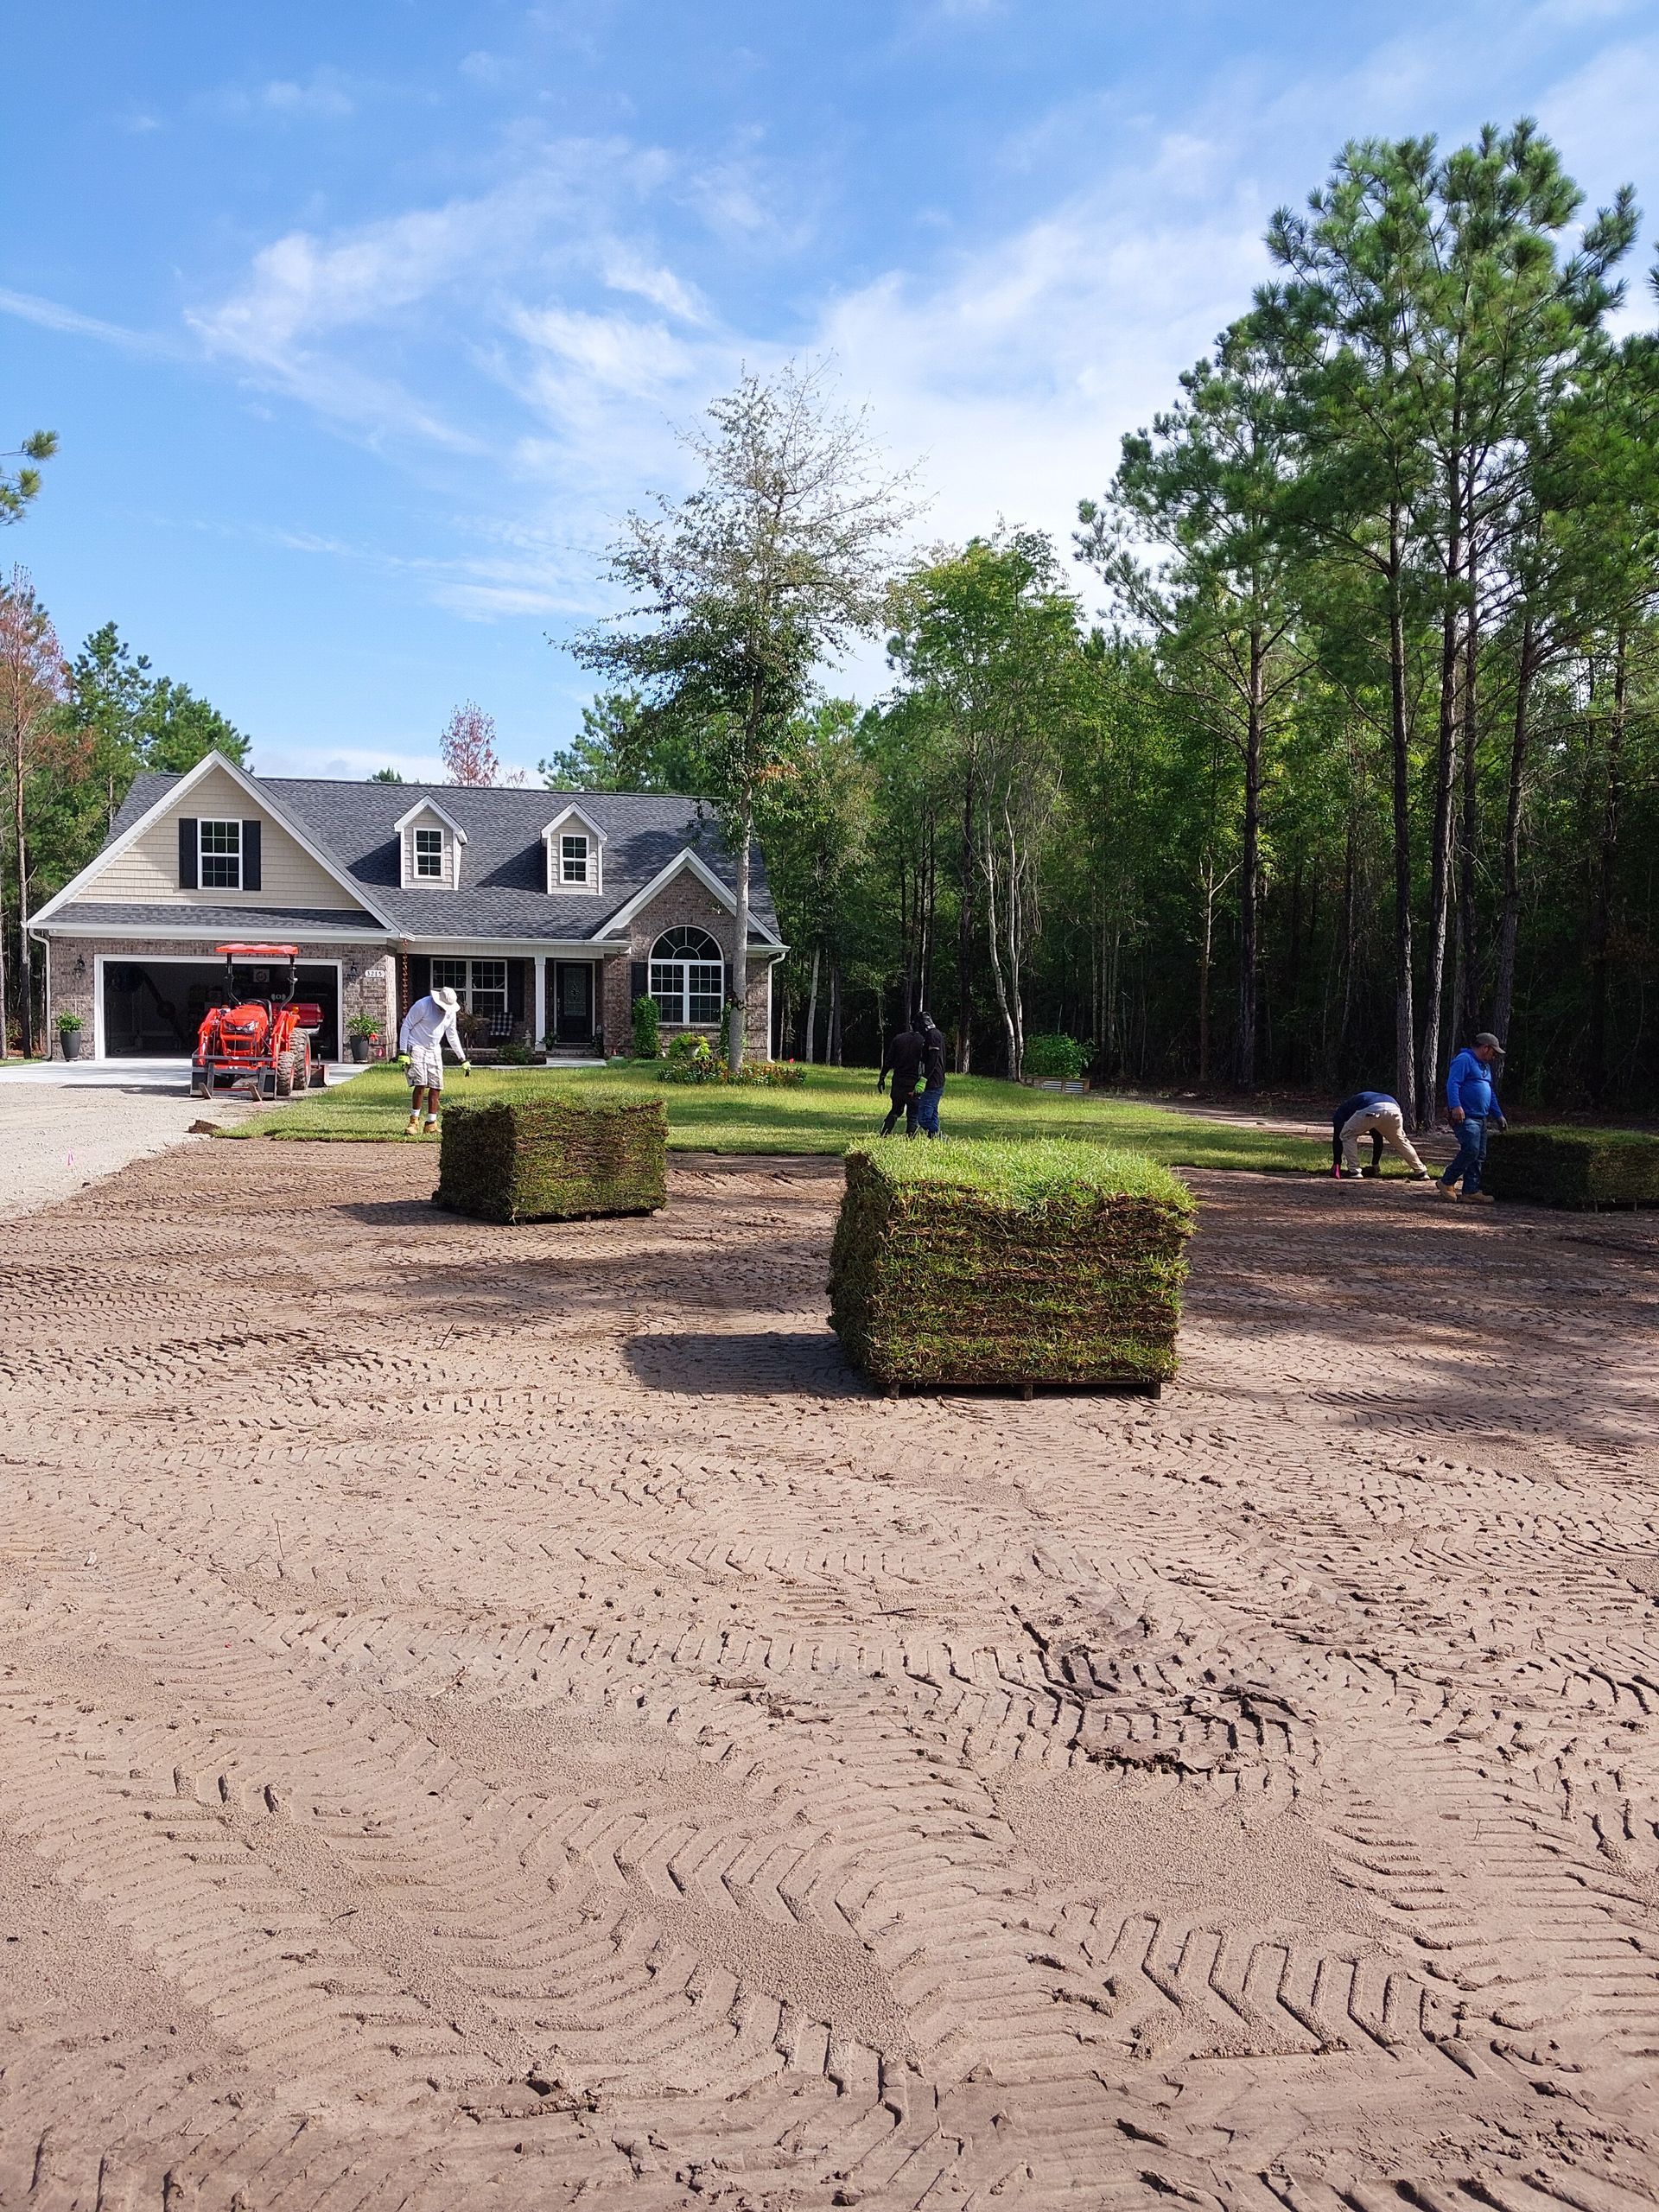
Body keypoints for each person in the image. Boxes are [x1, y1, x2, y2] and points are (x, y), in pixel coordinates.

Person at [1439, 1031, 1507, 1203]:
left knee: (1479, 1155)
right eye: (1493, 1052)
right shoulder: (1464, 1060)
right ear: (1485, 1048)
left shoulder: (1485, 1067)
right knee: (1471, 1149)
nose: (1494, 1056)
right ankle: (1446, 1181)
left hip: (1481, 1117)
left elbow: (1489, 1092)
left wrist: (1498, 1115)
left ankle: (1470, 1190)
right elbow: (1453, 1083)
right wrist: (1456, 1106)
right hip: (1465, 1116)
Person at [397, 984, 470, 1136]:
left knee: (437, 1086)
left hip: (434, 1049)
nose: (444, 1010)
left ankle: (431, 1123)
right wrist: (403, 1051)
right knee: (421, 1083)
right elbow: (406, 1026)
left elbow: (452, 1035)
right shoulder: (423, 1005)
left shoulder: (450, 1012)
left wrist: (462, 1058)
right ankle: (414, 1121)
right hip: (416, 1045)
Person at [1331, 1088, 1430, 1181]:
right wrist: (1375, 1165)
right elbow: (1378, 1137)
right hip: (1393, 1108)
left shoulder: (1341, 1112)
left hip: (1371, 1108)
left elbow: (1337, 1137)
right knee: (1400, 1140)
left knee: (1347, 1135)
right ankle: (1421, 1171)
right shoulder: (1359, 1103)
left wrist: (1336, 1163)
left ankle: (1354, 1171)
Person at [876, 1014, 927, 1137]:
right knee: (913, 1113)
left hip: (898, 1081)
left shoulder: (899, 1039)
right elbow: (928, 1063)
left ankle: (883, 1134)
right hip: (914, 1082)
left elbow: (889, 1061)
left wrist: (882, 1078)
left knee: (895, 1110)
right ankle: (910, 1139)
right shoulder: (924, 1041)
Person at [912, 1008, 947, 1139]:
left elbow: (933, 1060)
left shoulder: (933, 1035)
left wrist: (924, 1079)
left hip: (933, 1081)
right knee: (933, 1115)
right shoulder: (934, 1035)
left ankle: (941, 1138)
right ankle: (936, 1142)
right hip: (935, 1081)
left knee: (924, 1119)